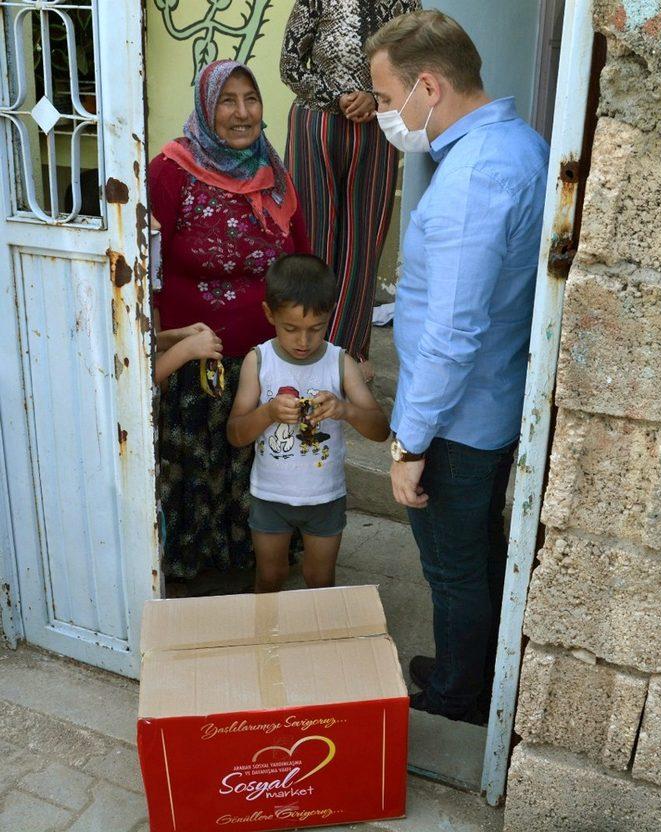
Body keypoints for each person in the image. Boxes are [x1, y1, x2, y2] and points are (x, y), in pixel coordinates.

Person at [366, 10, 549, 723]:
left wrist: (410, 443)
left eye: (385, 99)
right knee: (476, 553)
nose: (382, 114)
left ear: (429, 87)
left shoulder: (473, 178)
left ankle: (459, 695)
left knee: (453, 566)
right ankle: (476, 672)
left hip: (459, 419)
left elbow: (450, 332)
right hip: (491, 398)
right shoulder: (518, 143)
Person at [149, 59, 311, 581]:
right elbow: (143, 263)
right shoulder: (169, 172)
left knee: (263, 469)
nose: (242, 113)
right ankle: (191, 567)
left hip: (266, 360)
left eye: (251, 99)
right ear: (205, 106)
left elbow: (300, 260)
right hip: (196, 361)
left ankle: (255, 561)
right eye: (227, 100)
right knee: (196, 469)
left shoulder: (274, 174)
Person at [227, 254, 390, 592]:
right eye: (291, 329)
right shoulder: (258, 362)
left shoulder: (340, 362)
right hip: (271, 497)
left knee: (320, 581)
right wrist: (268, 413)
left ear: (329, 315)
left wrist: (344, 410)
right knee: (270, 577)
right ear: (270, 314)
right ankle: (268, 641)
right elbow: (236, 434)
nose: (304, 341)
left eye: (316, 329)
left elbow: (379, 429)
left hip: (325, 497)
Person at [280, 0, 421, 382]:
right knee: (315, 238)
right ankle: (304, 351)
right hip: (318, 124)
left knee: (364, 239)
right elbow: (290, 66)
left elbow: (415, 66)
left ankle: (349, 352)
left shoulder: (406, 2)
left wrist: (374, 98)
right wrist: (338, 97)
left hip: (377, 127)